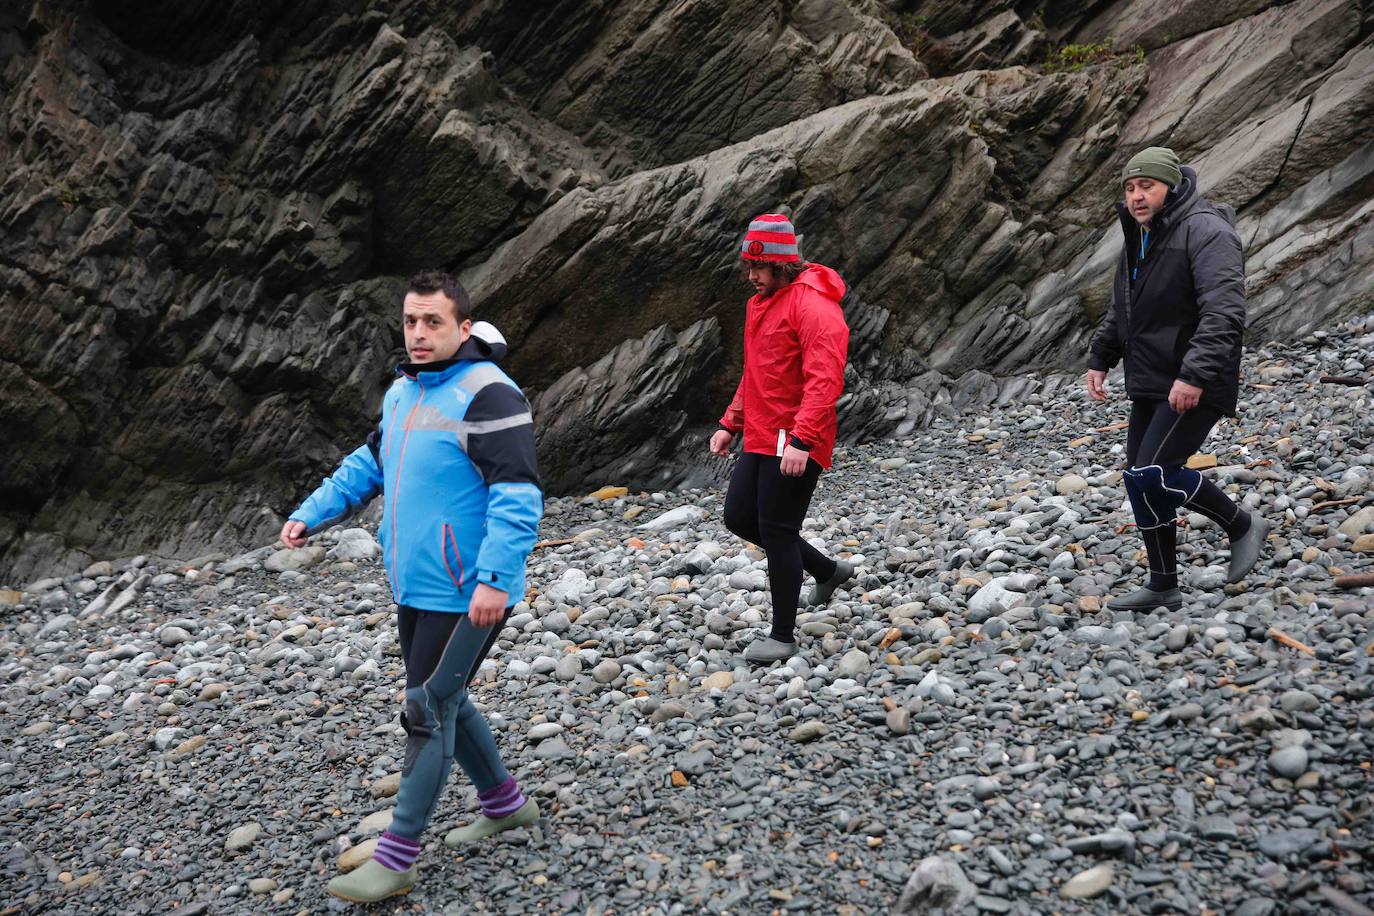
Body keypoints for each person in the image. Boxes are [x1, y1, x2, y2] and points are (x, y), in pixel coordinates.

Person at [280, 272, 544, 903]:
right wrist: (313, 511)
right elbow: (371, 463)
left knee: (426, 710)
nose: (419, 334)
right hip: (415, 584)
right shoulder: (404, 390)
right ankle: (506, 804)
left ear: (464, 328)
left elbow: (519, 497)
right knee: (445, 698)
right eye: (410, 322)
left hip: (467, 592)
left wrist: (496, 582)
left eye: (433, 323)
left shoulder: (490, 394)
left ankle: (397, 857)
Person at [1086, 147, 1268, 612]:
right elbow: (1123, 308)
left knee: (1156, 473)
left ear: (1171, 186)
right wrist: (1100, 357)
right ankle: (1163, 583)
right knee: (1137, 478)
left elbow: (1224, 312)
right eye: (1129, 188)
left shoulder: (1206, 230)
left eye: (1146, 185)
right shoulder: (1140, 237)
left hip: (1196, 379)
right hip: (1151, 378)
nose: (1137, 196)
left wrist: (1193, 375)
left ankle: (1241, 523)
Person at [711, 213, 854, 663]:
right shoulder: (763, 301)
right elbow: (757, 372)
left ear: (782, 264)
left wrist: (802, 440)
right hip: (760, 431)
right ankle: (828, 571)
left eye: (758, 268)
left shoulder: (813, 306)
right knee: (739, 517)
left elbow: (825, 379)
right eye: (748, 268)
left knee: (777, 528)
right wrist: (730, 422)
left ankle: (782, 636)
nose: (751, 276)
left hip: (794, 437)